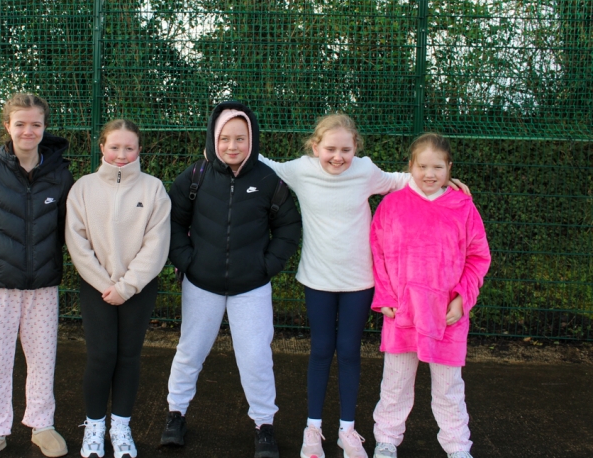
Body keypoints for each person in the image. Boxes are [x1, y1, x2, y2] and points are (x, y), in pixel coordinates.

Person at [258, 115, 471, 458]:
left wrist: (446, 184)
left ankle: (347, 430)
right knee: (321, 350)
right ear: (315, 147)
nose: (337, 156)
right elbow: (262, 163)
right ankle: (313, 429)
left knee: (349, 351)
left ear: (356, 147)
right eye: (330, 149)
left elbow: (405, 179)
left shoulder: (366, 171)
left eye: (346, 149)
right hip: (317, 280)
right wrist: (220, 146)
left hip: (359, 281)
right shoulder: (299, 170)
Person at [159, 101, 302, 458]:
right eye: (225, 138)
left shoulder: (267, 180)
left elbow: (288, 227)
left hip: (251, 288)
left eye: (240, 138)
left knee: (255, 357)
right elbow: (172, 221)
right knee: (190, 352)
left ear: (252, 139)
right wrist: (187, 261)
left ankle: (264, 425)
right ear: (213, 138)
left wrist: (266, 266)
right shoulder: (196, 175)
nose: (232, 146)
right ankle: (175, 414)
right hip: (201, 284)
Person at [0, 93, 74, 458]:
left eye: (36, 124)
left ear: (44, 127)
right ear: (7, 126)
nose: (28, 131)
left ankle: (42, 425)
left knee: (42, 358)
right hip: (0, 286)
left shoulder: (60, 175)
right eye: (21, 124)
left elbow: (66, 227)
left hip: (44, 285)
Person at [369, 133, 490, 458]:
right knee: (395, 384)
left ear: (449, 167)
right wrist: (385, 297)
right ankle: (386, 440)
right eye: (422, 166)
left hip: (446, 317)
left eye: (438, 167)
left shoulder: (463, 206)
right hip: (402, 314)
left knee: (449, 389)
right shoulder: (391, 205)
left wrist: (462, 299)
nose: (430, 173)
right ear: (410, 166)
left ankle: (458, 447)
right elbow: (377, 253)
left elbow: (478, 257)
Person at [65, 119, 171, 458]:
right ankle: (95, 427)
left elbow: (157, 244)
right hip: (95, 288)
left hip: (138, 289)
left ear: (139, 149)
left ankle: (121, 427)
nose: (121, 154)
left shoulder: (154, 189)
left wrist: (127, 287)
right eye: (114, 147)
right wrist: (105, 284)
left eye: (129, 148)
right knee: (100, 357)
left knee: (128, 357)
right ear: (102, 147)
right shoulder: (83, 188)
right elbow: (77, 242)